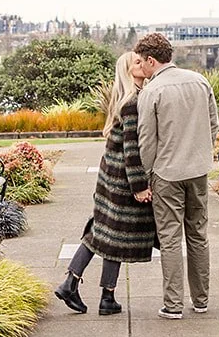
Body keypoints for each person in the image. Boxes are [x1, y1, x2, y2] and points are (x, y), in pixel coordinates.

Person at [53, 51, 156, 315]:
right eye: (137, 62)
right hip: (122, 181)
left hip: (109, 178)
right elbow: (131, 150)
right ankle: (87, 289)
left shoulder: (122, 99)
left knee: (108, 234)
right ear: (128, 71)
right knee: (111, 235)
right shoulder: (132, 102)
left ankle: (88, 289)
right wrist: (139, 187)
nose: (143, 63)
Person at [133, 32, 218, 319]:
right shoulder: (200, 81)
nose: (141, 68)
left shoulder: (151, 91)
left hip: (167, 173)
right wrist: (202, 155)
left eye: (142, 63)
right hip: (198, 170)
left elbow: (147, 140)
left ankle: (173, 305)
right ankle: (202, 300)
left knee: (170, 238)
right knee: (198, 234)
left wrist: (146, 176)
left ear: (151, 60)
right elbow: (213, 126)